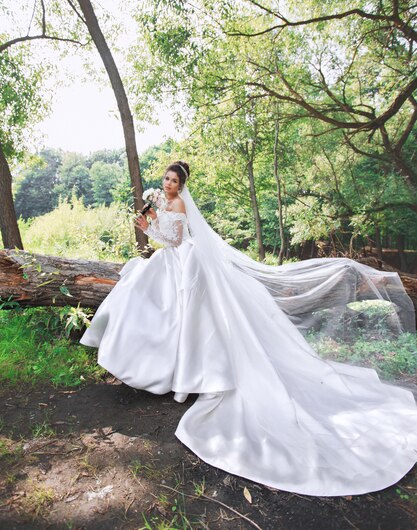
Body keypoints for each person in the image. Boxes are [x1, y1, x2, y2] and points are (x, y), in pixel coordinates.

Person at [80, 160, 417, 497]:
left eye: (173, 181)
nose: (167, 184)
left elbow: (177, 240)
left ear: (181, 185)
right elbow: (165, 236)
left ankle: (178, 373)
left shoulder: (179, 204)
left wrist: (150, 227)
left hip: (183, 263)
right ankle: (154, 367)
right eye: (166, 179)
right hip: (171, 262)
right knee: (148, 297)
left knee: (170, 306)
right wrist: (150, 219)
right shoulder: (163, 203)